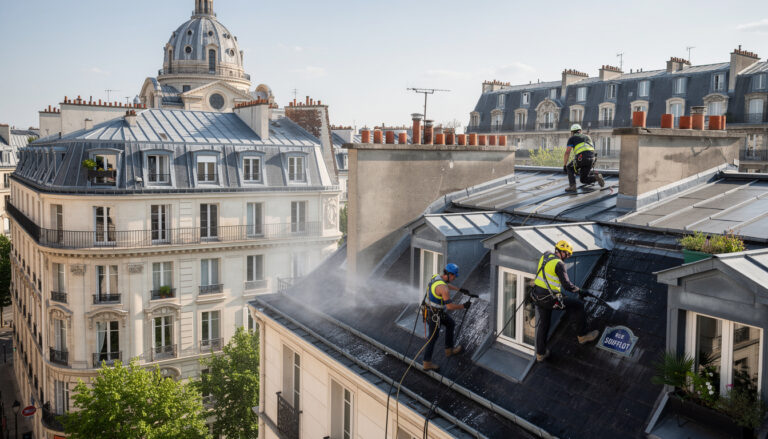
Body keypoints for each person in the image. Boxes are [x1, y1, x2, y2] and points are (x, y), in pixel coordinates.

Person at [531, 240, 599, 362]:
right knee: (578, 305)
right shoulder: (559, 264)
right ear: (561, 252)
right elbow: (567, 286)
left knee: (544, 324)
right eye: (567, 254)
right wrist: (580, 290)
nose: (567, 257)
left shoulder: (545, 255)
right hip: (550, 299)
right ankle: (582, 335)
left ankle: (540, 353)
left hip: (538, 296)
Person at [422, 263, 471, 371]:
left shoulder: (436, 277)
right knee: (433, 338)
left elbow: (445, 285)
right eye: (454, 276)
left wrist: (459, 289)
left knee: (450, 323)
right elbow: (449, 306)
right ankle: (427, 363)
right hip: (434, 315)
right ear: (450, 274)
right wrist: (463, 306)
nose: (454, 278)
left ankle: (449, 350)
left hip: (431, 311)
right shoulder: (444, 289)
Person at [563, 124, 604, 192]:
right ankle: (596, 178)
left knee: (569, 167)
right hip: (592, 158)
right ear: (580, 131)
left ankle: (572, 186)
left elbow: (567, 152)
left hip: (582, 158)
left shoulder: (572, 138)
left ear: (572, 132)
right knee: (583, 179)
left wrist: (564, 165)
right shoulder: (588, 137)